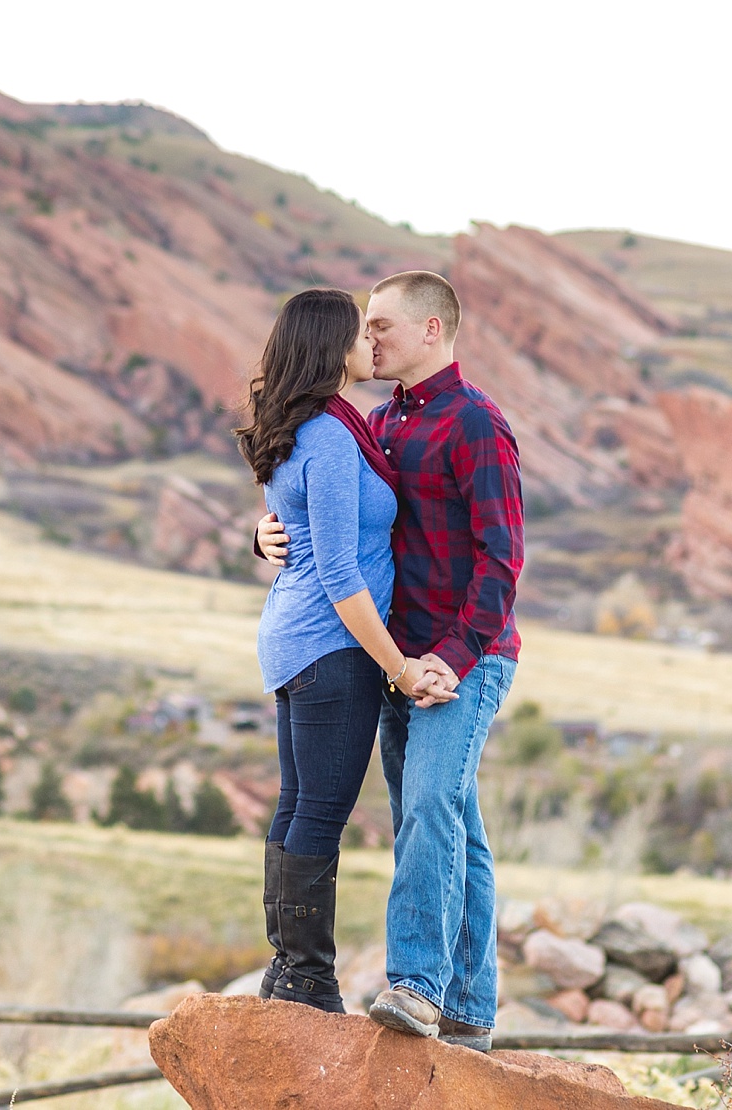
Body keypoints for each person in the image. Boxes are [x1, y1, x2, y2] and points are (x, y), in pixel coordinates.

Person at [255, 271, 524, 1049]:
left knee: (430, 808)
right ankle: (471, 1009)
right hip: (396, 654)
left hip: (458, 658)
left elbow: (501, 562)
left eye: (382, 327)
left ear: (433, 331)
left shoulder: (477, 425)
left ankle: (414, 985)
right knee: (455, 824)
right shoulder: (378, 422)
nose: (368, 340)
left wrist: (448, 657)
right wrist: (267, 534)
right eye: (363, 328)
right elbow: (321, 507)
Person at [234, 287, 455, 1013]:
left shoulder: (310, 425)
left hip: (295, 640)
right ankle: (305, 977)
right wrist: (395, 664)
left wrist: (263, 534)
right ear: (334, 349)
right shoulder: (329, 436)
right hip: (331, 645)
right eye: (361, 333)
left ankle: (286, 971)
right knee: (319, 811)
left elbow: (287, 522)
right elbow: (337, 570)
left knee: (298, 804)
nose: (371, 343)